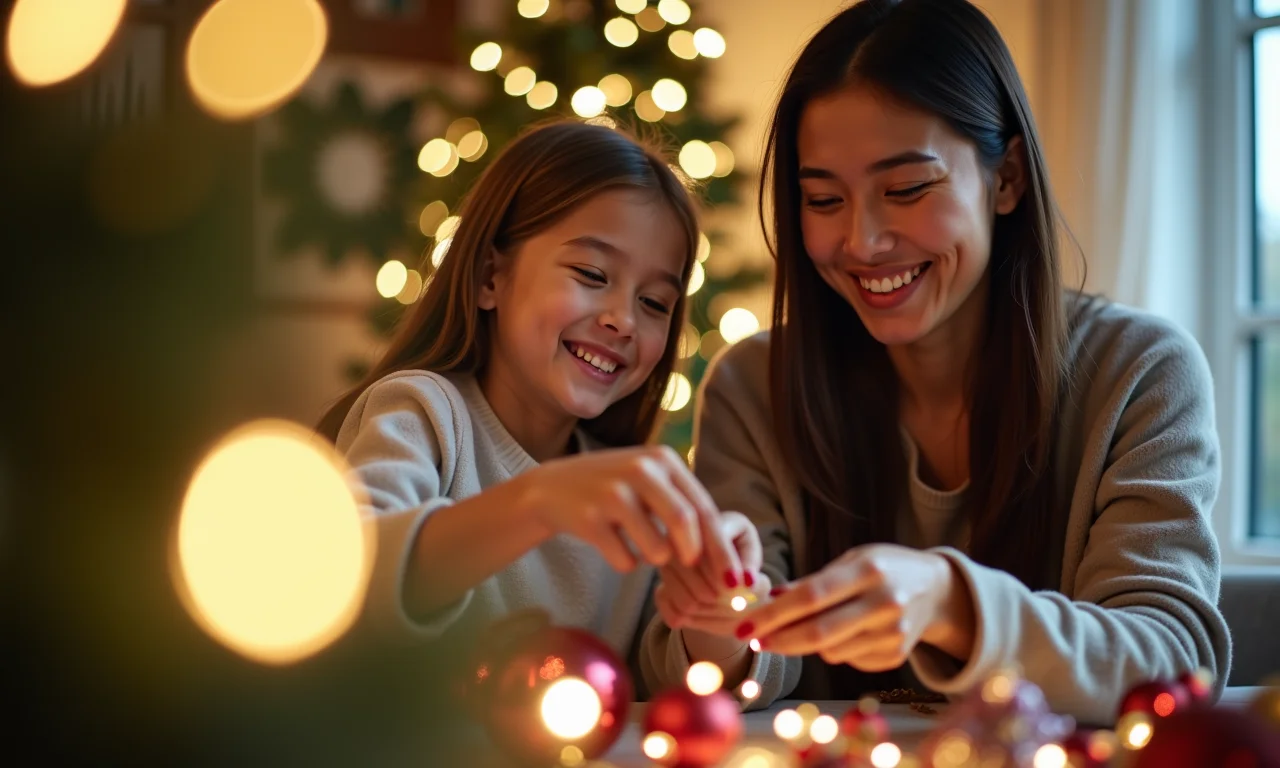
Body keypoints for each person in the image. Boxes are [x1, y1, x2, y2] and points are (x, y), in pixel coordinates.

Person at [656, 0, 1231, 723]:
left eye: (907, 189)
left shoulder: (1141, 372)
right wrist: (720, 624)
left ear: (1007, 178)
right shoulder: (754, 387)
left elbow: (1172, 658)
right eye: (823, 199)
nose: (862, 242)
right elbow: (726, 665)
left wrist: (952, 605)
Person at [316, 121, 764, 695]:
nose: (623, 321)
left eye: (654, 302)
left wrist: (720, 610)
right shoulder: (423, 412)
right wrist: (538, 501)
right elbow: (356, 569)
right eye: (592, 275)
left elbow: (690, 680)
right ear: (489, 278)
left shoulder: (631, 500)